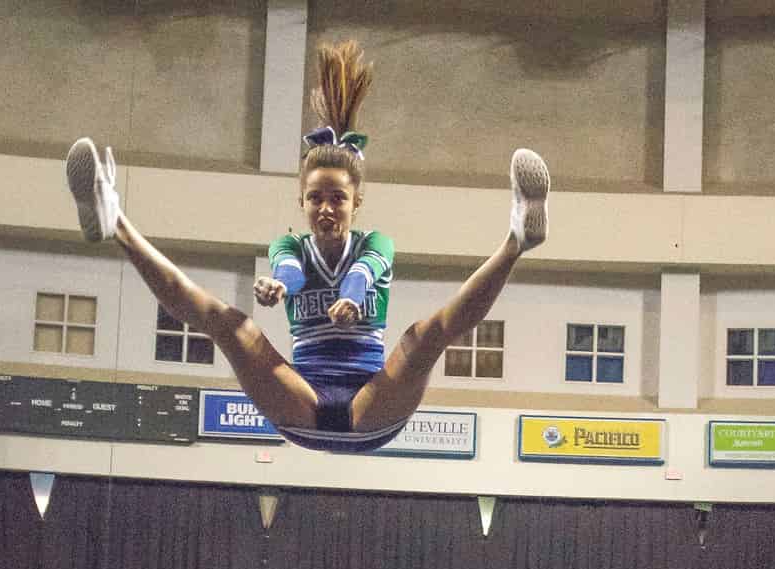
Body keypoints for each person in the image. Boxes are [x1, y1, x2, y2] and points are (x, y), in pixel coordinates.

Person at [64, 40, 549, 455]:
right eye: (315, 197)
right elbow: (292, 270)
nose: (325, 208)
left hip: (371, 407)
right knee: (229, 325)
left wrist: (353, 299)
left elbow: (363, 273)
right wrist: (279, 283)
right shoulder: (289, 245)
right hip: (303, 402)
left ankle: (516, 240)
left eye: (337, 198)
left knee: (425, 336)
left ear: (357, 203)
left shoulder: (376, 243)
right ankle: (118, 227)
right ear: (301, 201)